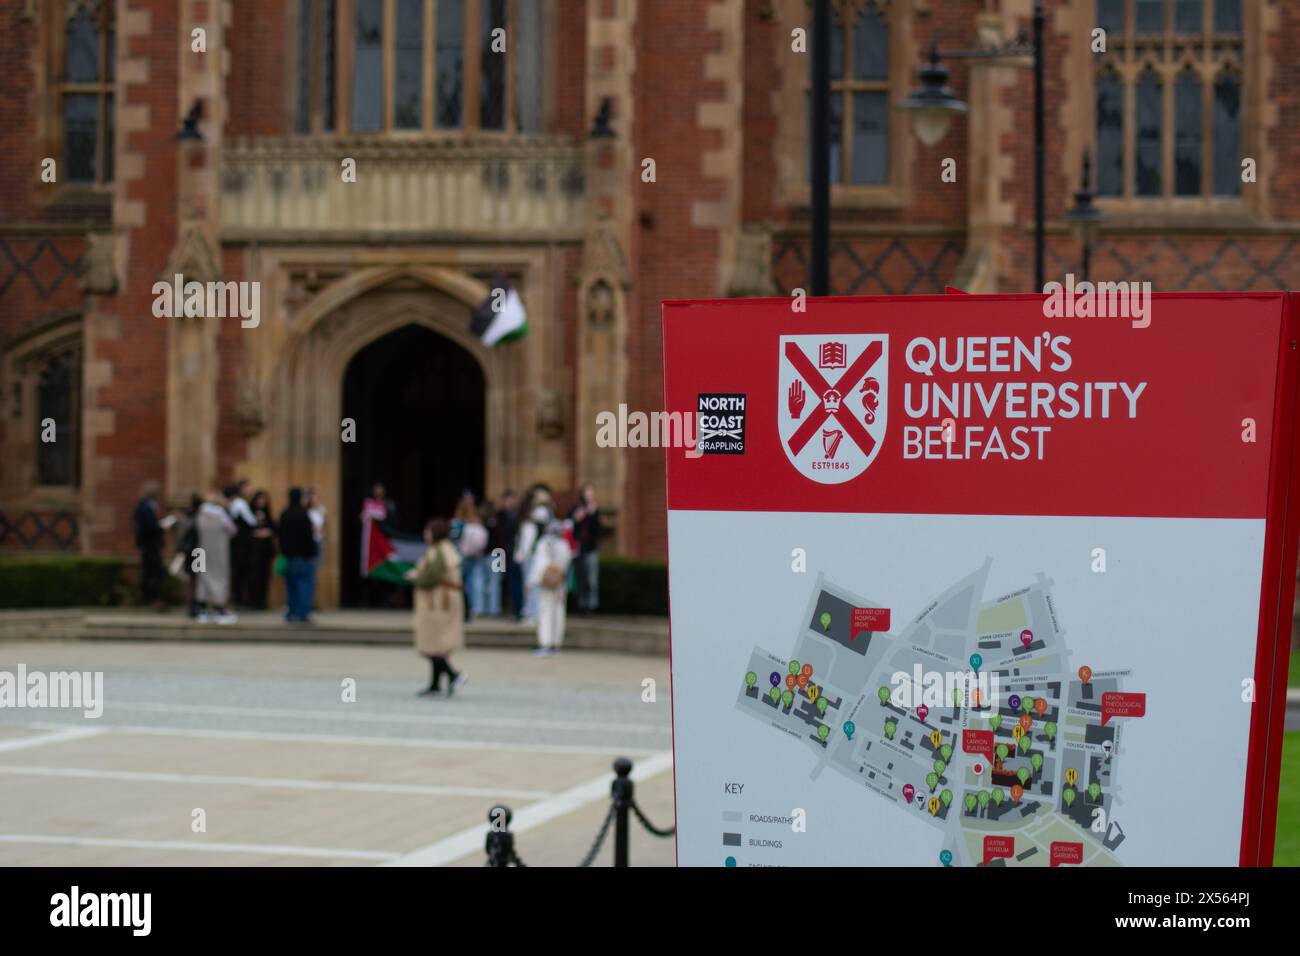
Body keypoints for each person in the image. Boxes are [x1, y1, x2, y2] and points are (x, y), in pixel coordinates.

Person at [406, 518, 467, 696]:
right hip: (442, 602)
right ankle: (435, 684)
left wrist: (415, 577)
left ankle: (454, 675)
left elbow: (431, 576)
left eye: (428, 531)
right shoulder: (443, 549)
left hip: (439, 603)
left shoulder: (439, 552)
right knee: (435, 643)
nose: (426, 535)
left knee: (433, 643)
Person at [528, 518, 573, 656]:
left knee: (545, 611)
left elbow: (539, 564)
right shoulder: (564, 545)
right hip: (559, 582)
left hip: (546, 583)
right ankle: (556, 643)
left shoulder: (544, 543)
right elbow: (567, 563)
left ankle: (546, 643)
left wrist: (531, 581)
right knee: (558, 612)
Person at [195, 491, 238, 623]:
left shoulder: (201, 514)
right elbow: (233, 530)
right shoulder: (220, 514)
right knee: (219, 577)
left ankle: (202, 610)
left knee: (202, 578)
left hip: (201, 552)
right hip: (219, 552)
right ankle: (220, 610)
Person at [279, 487, 318, 623]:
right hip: (303, 557)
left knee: (290, 586)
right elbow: (308, 536)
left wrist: (284, 551)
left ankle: (291, 612)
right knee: (304, 586)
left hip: (289, 556)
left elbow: (281, 535)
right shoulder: (303, 515)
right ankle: (303, 613)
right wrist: (312, 552)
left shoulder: (285, 514)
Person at [132, 481, 173, 609]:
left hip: (151, 544)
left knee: (153, 572)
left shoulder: (149, 505)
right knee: (152, 572)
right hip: (149, 544)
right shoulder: (144, 506)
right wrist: (161, 527)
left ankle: (150, 599)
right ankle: (150, 599)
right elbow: (147, 527)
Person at [361, 482, 398, 608]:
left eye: (380, 490)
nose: (378, 492)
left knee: (386, 572)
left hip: (385, 541)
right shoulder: (369, 504)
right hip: (372, 544)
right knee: (371, 572)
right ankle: (371, 600)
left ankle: (386, 600)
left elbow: (393, 522)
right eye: (376, 490)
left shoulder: (389, 505)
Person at [514, 502, 552, 624]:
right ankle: (530, 612)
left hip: (535, 559)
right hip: (530, 559)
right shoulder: (529, 527)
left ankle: (533, 612)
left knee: (533, 586)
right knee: (530, 586)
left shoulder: (537, 529)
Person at [453, 492, 488, 619]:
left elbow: (454, 539)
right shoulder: (477, 521)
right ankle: (477, 607)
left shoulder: (459, 522)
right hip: (476, 555)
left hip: (463, 555)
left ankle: (466, 608)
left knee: (463, 583)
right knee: (475, 582)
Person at [569, 484, 602, 614]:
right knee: (579, 578)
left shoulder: (595, 510)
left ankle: (591, 605)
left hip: (590, 549)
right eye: (587, 493)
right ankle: (580, 604)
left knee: (591, 579)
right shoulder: (577, 508)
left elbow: (598, 528)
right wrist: (579, 516)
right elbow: (570, 523)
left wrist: (593, 514)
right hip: (579, 549)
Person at [226, 480, 257, 609]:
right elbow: (252, 521)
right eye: (248, 487)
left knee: (240, 573)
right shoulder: (240, 503)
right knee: (241, 573)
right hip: (241, 545)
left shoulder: (239, 503)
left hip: (239, 544)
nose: (250, 490)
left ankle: (239, 599)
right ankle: (240, 600)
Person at [172, 493, 203, 618]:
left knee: (191, 580)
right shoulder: (198, 517)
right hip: (197, 552)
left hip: (189, 552)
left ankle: (192, 605)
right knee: (195, 580)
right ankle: (194, 606)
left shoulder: (185, 516)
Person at [493, 490, 521, 619]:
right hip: (499, 553)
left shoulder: (519, 515)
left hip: (512, 553)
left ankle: (516, 609)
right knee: (498, 580)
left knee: (514, 580)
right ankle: (497, 607)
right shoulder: (499, 515)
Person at [247, 491, 276, 610]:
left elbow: (274, 528)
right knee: (253, 576)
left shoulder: (267, 514)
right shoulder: (250, 512)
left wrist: (268, 532)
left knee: (265, 576)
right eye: (259, 499)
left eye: (263, 499)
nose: (261, 502)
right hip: (253, 550)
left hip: (265, 550)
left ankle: (262, 602)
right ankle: (252, 601)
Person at [306, 488, 326, 614]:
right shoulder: (306, 512)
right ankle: (307, 602)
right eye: (312, 497)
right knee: (308, 573)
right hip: (309, 543)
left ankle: (311, 601)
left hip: (318, 542)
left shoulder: (321, 510)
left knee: (314, 573)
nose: (315, 499)